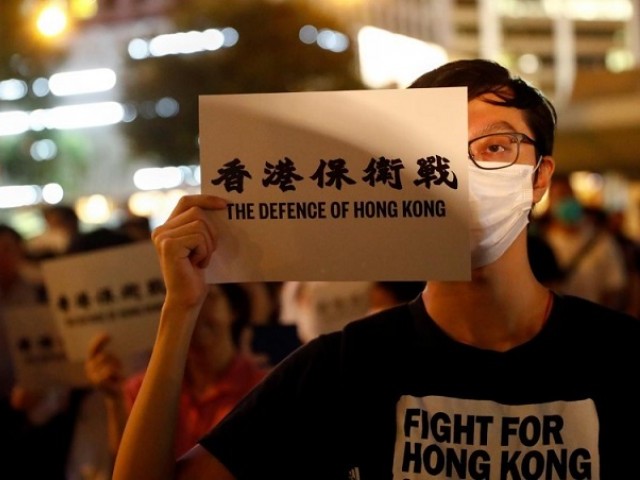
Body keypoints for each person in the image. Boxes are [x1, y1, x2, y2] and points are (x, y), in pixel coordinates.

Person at [112, 59, 640, 479]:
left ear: (539, 179)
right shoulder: (343, 368)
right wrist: (180, 309)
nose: (466, 175)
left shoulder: (622, 357)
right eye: (434, 157)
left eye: (496, 148)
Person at [85, 282, 268, 461]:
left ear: (233, 309)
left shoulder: (265, 390)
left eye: (208, 296)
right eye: (178, 298)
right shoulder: (143, 390)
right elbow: (130, 468)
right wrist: (115, 400)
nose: (194, 308)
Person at [543, 174, 628, 310]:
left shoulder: (601, 241)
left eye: (568, 196)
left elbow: (614, 286)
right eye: (559, 197)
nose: (565, 202)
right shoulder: (541, 244)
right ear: (551, 204)